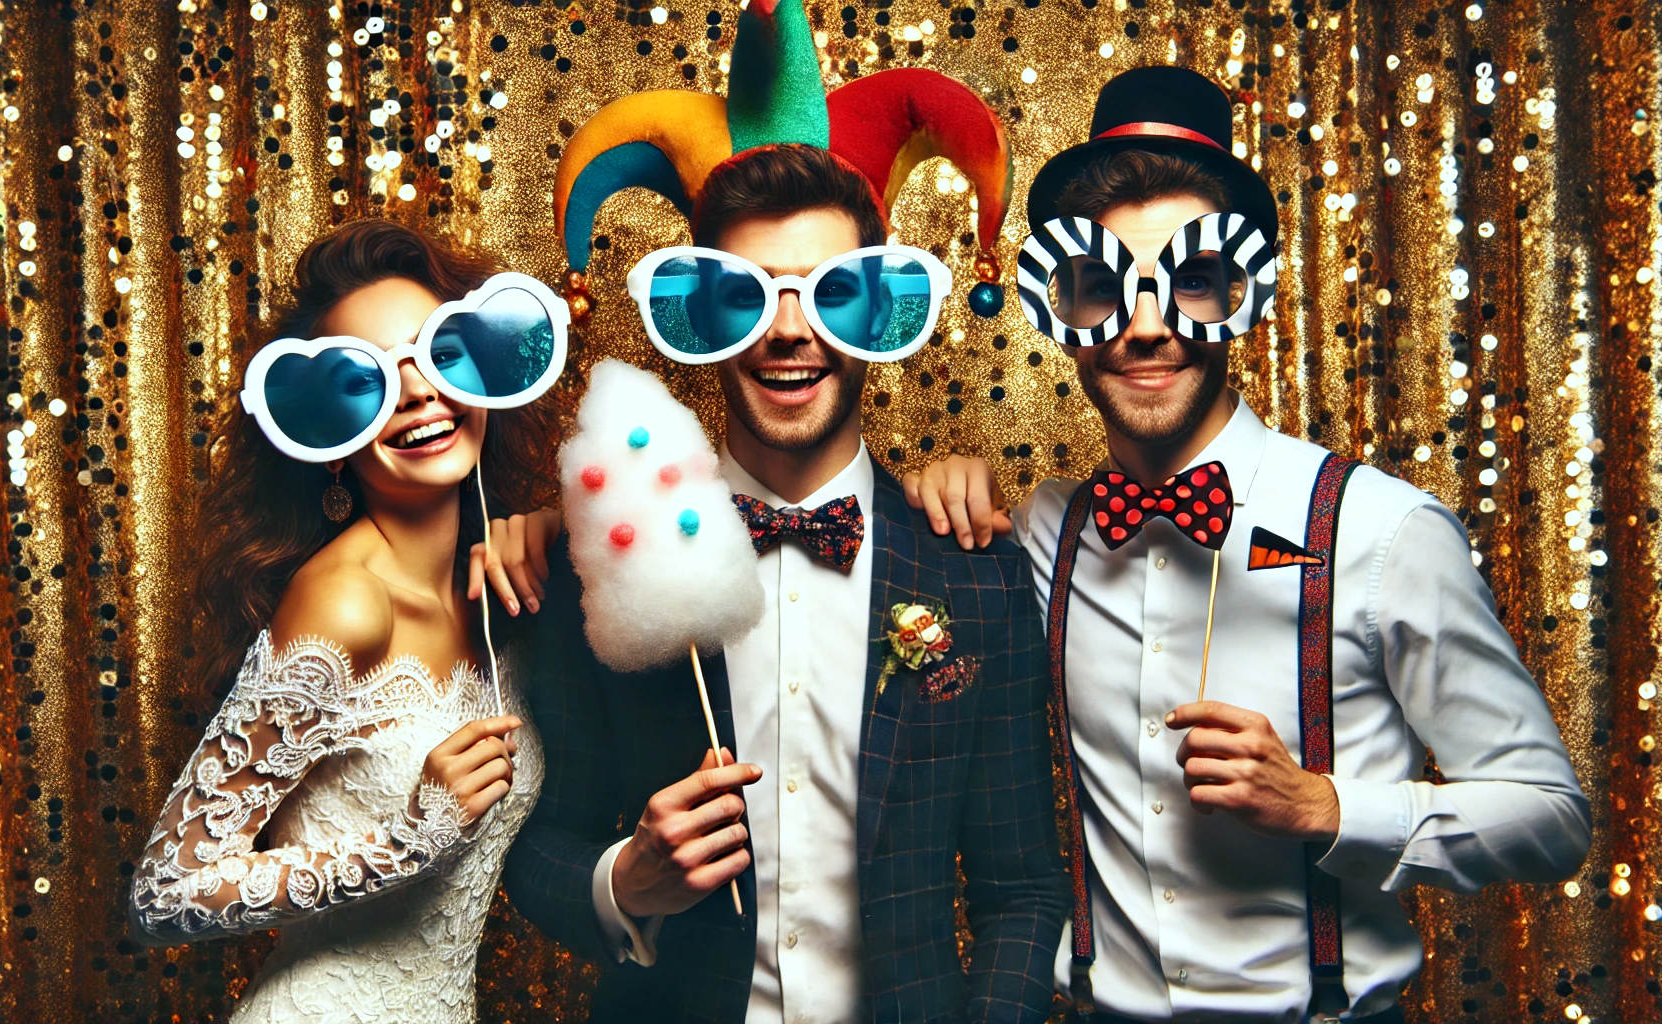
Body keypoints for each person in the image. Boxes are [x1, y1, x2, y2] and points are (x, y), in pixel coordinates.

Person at [904, 66, 1590, 1023]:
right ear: (1062, 307)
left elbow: (1553, 817)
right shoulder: (1043, 534)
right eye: (1103, 287)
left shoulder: (1383, 530)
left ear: (1243, 292)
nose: (1146, 327)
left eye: (1190, 280)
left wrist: (1330, 808)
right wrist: (938, 481)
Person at [502, 138, 1068, 1020]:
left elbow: (1025, 890)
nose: (790, 328)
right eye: (749, 294)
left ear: (878, 315)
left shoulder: (978, 571)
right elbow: (538, 848)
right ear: (704, 314)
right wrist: (628, 881)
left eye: (830, 292)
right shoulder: (602, 563)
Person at [129, 220, 567, 1023]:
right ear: (328, 440)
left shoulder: (505, 586)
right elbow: (166, 893)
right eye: (365, 380)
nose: (418, 392)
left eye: (441, 353)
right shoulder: (344, 601)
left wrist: (563, 522)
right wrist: (410, 841)